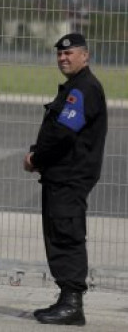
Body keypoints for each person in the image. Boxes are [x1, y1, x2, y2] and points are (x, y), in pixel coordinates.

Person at [24, 33, 107, 325]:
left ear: (85, 56)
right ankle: (65, 299)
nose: (63, 58)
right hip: (61, 176)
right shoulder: (75, 87)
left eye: (69, 54)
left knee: (67, 236)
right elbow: (58, 130)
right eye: (60, 54)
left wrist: (36, 159)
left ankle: (73, 305)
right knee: (59, 235)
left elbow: (63, 134)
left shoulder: (84, 88)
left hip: (70, 177)